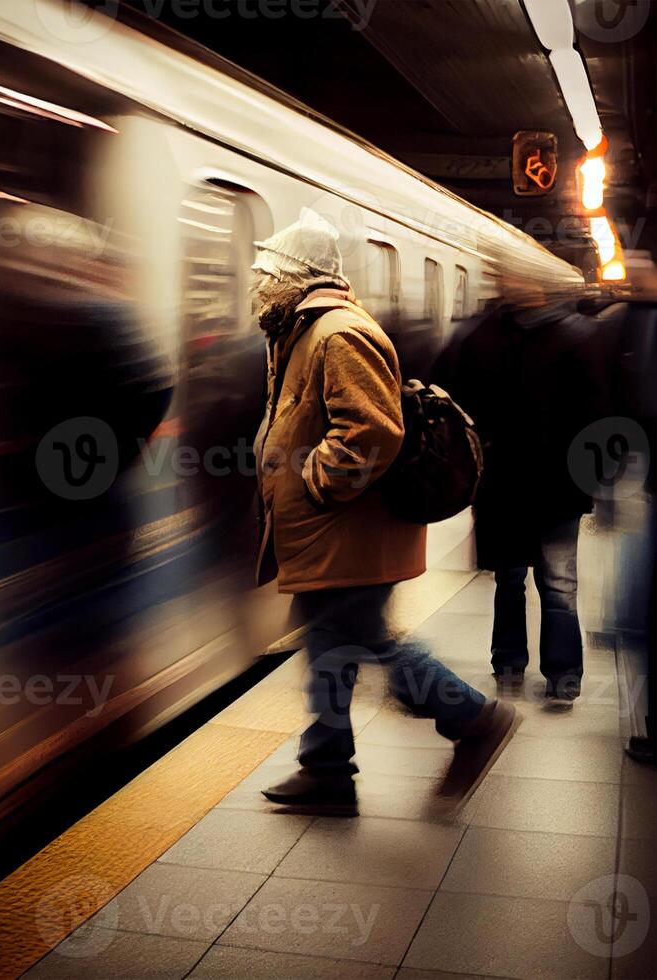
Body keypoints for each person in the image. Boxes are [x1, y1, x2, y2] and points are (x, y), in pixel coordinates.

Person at [252, 209, 517, 813]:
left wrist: (317, 482)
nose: (258, 283)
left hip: (347, 528)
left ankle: (471, 716)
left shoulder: (336, 333)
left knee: (362, 639)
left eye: (268, 272)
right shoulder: (301, 329)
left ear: (297, 275)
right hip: (335, 532)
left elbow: (372, 429)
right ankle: (327, 767)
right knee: (334, 644)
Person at [434, 283, 607, 709]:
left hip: (549, 485)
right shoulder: (485, 336)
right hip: (513, 484)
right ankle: (513, 664)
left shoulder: (571, 335)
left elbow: (598, 413)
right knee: (516, 579)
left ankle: (560, 674)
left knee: (555, 582)